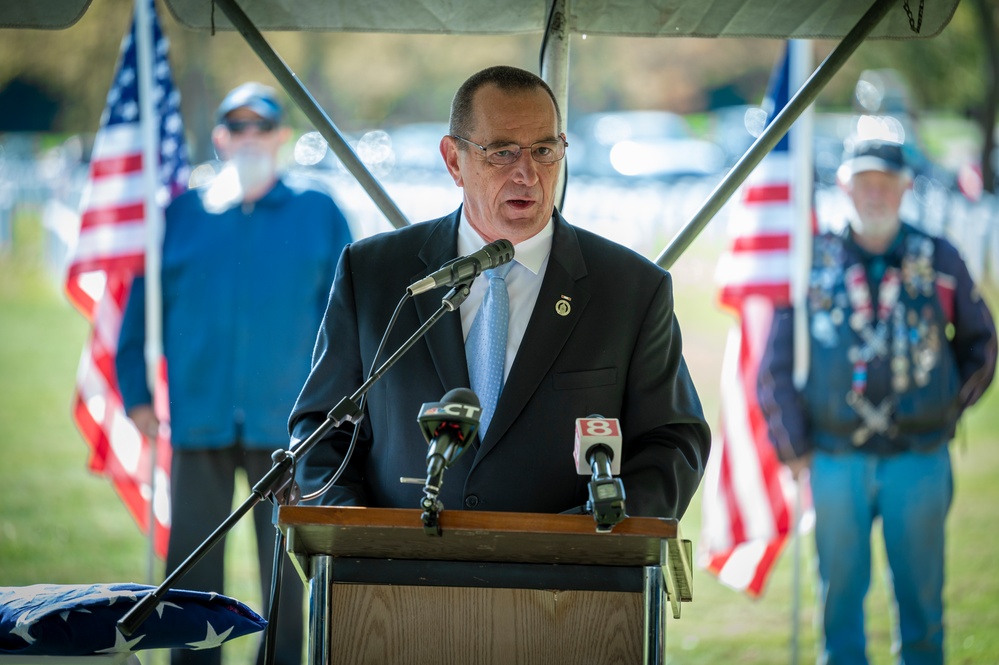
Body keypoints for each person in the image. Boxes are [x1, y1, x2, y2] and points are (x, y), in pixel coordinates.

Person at [289, 65, 711, 521]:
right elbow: (321, 432)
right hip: (398, 581)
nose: (527, 173)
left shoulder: (631, 288)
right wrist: (356, 537)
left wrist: (584, 541)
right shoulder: (374, 274)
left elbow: (673, 445)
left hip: (565, 585)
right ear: (454, 160)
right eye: (503, 152)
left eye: (545, 150)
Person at [117, 82, 353, 665]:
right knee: (191, 576)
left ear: (280, 137)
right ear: (220, 138)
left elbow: (351, 318)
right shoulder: (181, 215)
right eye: (237, 127)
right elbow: (141, 308)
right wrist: (136, 391)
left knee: (288, 572)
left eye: (261, 127)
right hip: (199, 418)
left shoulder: (319, 213)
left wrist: (343, 406)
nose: (249, 138)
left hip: (292, 429)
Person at [757, 139, 997, 665]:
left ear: (906, 187)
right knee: (838, 609)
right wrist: (795, 448)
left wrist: (944, 408)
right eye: (864, 181)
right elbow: (773, 362)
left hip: (920, 460)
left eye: (887, 182)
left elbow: (982, 344)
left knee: (922, 610)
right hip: (835, 459)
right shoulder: (811, 259)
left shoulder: (938, 256)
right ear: (844, 185)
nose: (875, 193)